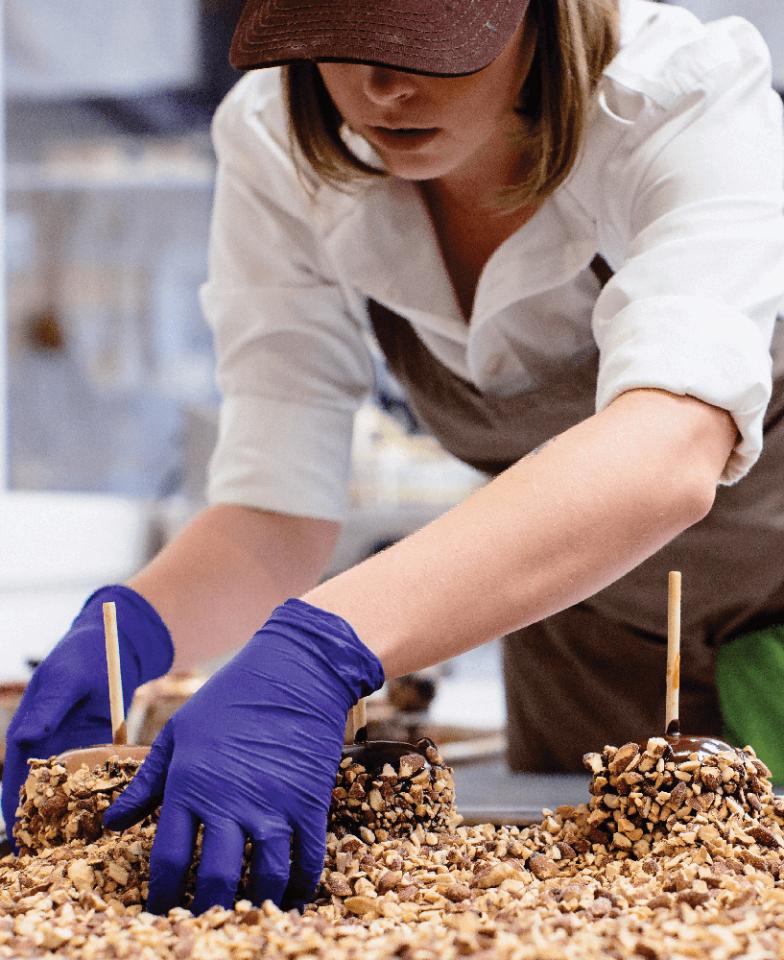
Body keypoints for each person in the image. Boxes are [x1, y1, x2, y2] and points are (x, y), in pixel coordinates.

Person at [4, 0, 784, 918]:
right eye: (338, 48)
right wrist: (136, 630)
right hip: (580, 624)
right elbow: (276, 505)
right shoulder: (275, 140)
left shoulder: (681, 101)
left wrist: (319, 650)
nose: (379, 88)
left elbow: (669, 448)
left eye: (427, 49)